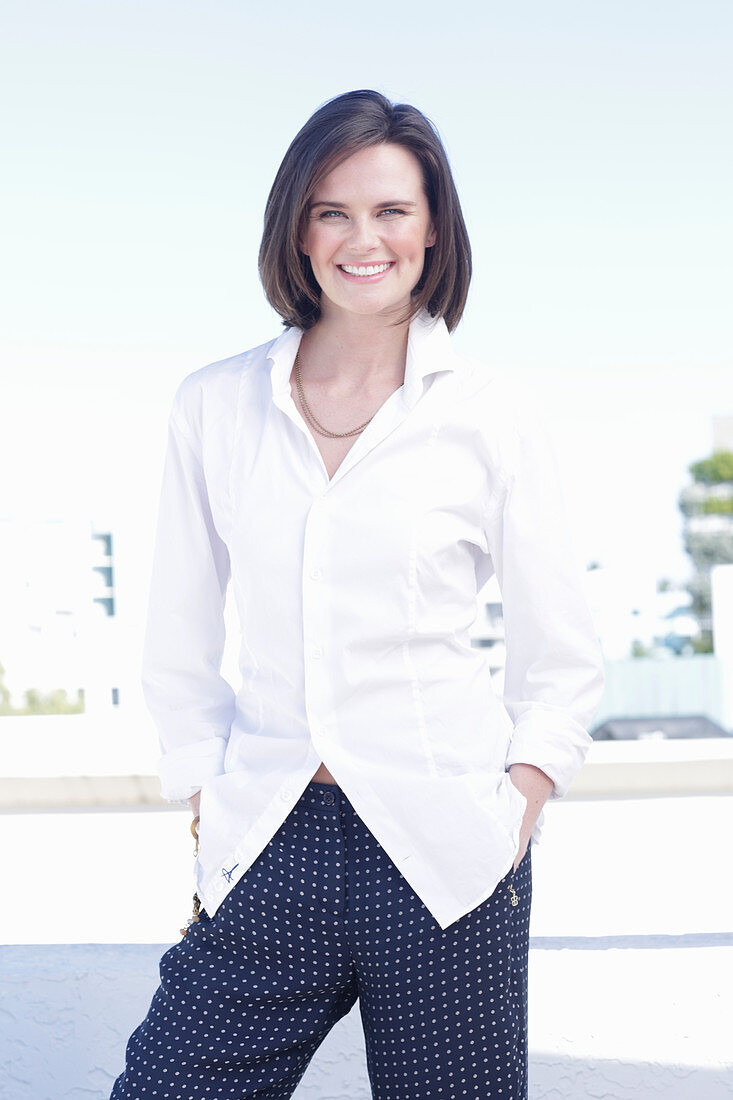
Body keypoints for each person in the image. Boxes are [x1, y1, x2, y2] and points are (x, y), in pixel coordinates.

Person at [110, 89, 604, 1099]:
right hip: (270, 842)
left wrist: (511, 814)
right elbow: (178, 636)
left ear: (432, 229)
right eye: (332, 211)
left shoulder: (492, 415)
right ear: (296, 228)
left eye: (390, 211)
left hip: (446, 853)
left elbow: (560, 656)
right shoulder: (215, 404)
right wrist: (208, 797)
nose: (361, 238)